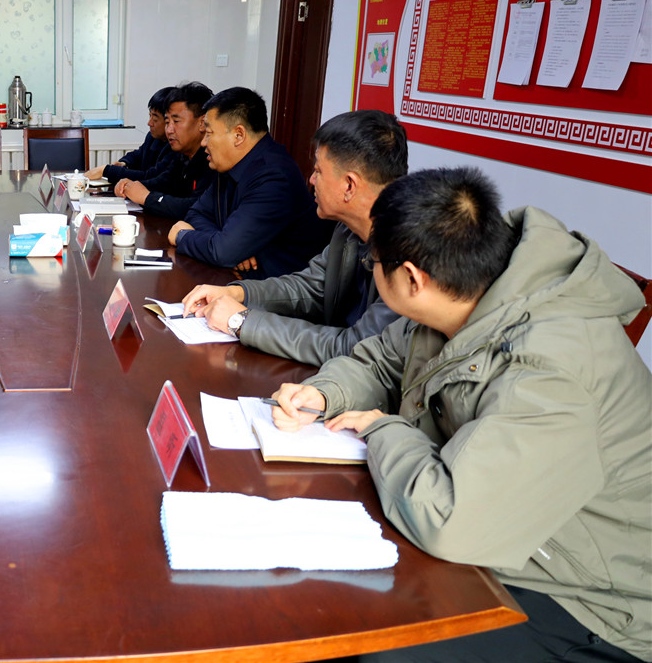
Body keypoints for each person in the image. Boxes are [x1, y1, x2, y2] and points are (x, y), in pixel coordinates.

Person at [272, 167, 651, 663]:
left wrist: (383, 429)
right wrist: (325, 395)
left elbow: (450, 521)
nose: (371, 269)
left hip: (589, 600)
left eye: (373, 262)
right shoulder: (466, 291)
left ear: (412, 278)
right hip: (498, 533)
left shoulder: (552, 369)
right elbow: (379, 359)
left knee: (368, 637)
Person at [179, 110, 406, 365]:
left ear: (349, 186)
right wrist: (238, 293)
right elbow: (309, 288)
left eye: (318, 171)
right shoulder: (348, 229)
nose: (311, 180)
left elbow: (355, 347)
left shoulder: (408, 253)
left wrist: (242, 322)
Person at [168, 87, 333, 279]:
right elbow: (196, 214)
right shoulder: (228, 164)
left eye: (209, 133)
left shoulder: (274, 176)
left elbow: (222, 252)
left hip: (278, 289)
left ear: (239, 135)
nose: (204, 142)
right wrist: (228, 244)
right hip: (234, 277)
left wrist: (183, 236)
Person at [114, 82, 217, 221]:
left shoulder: (213, 158)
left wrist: (147, 197)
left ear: (202, 123)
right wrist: (130, 186)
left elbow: (196, 207)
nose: (169, 130)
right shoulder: (182, 154)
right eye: (168, 122)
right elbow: (164, 182)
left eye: (176, 121)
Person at [86, 86, 176, 185]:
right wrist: (124, 163)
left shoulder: (176, 147)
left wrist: (107, 170)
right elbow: (138, 155)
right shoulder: (152, 137)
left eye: (155, 119)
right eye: (149, 116)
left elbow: (151, 176)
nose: (149, 123)